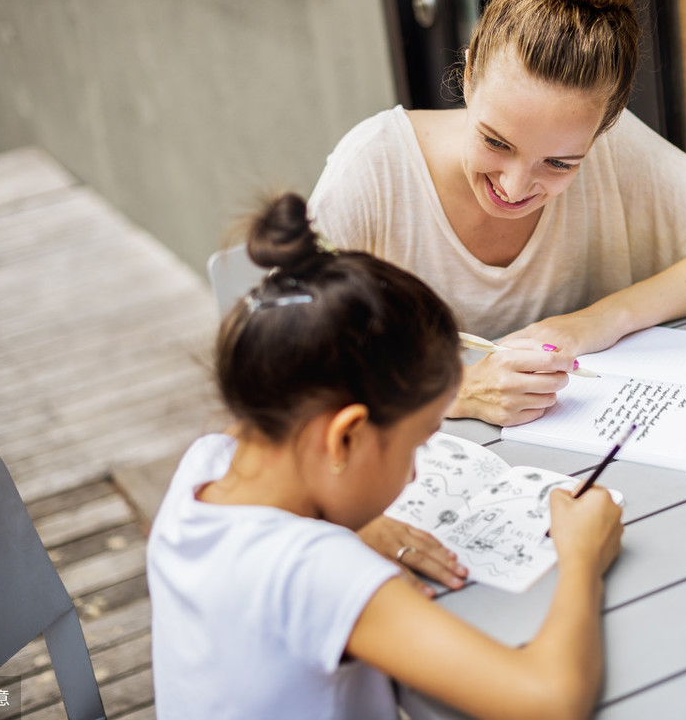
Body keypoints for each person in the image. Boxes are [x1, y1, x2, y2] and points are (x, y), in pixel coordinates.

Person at [147, 192, 624, 720]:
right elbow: (549, 703)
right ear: (344, 438)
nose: (417, 471)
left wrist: (352, 525)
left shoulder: (207, 462)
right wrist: (583, 558)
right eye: (418, 442)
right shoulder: (316, 570)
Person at [309, 0, 686, 428]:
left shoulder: (614, 148)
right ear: (468, 74)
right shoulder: (375, 170)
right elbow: (284, 363)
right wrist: (460, 392)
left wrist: (600, 320)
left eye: (559, 163)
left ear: (604, 127)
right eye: (496, 142)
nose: (514, 187)